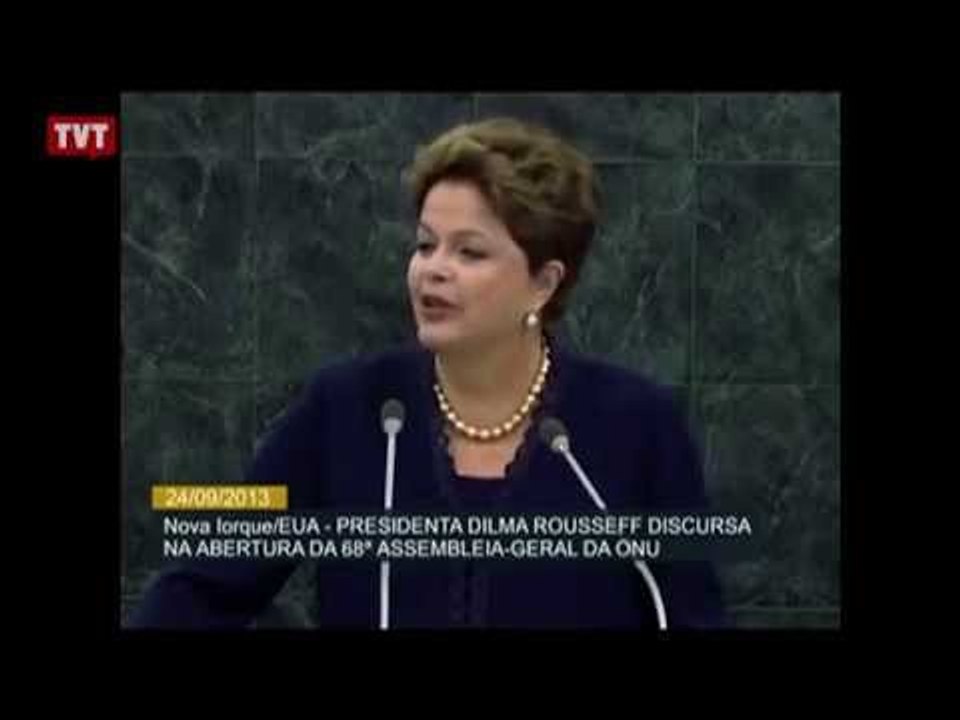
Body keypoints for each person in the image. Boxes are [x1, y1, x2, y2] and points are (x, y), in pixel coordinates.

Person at [128, 117, 728, 629]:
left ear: (543, 283)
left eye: (469, 252)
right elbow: (202, 584)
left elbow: (690, 613)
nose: (432, 271)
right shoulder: (345, 409)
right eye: (425, 245)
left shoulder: (637, 425)